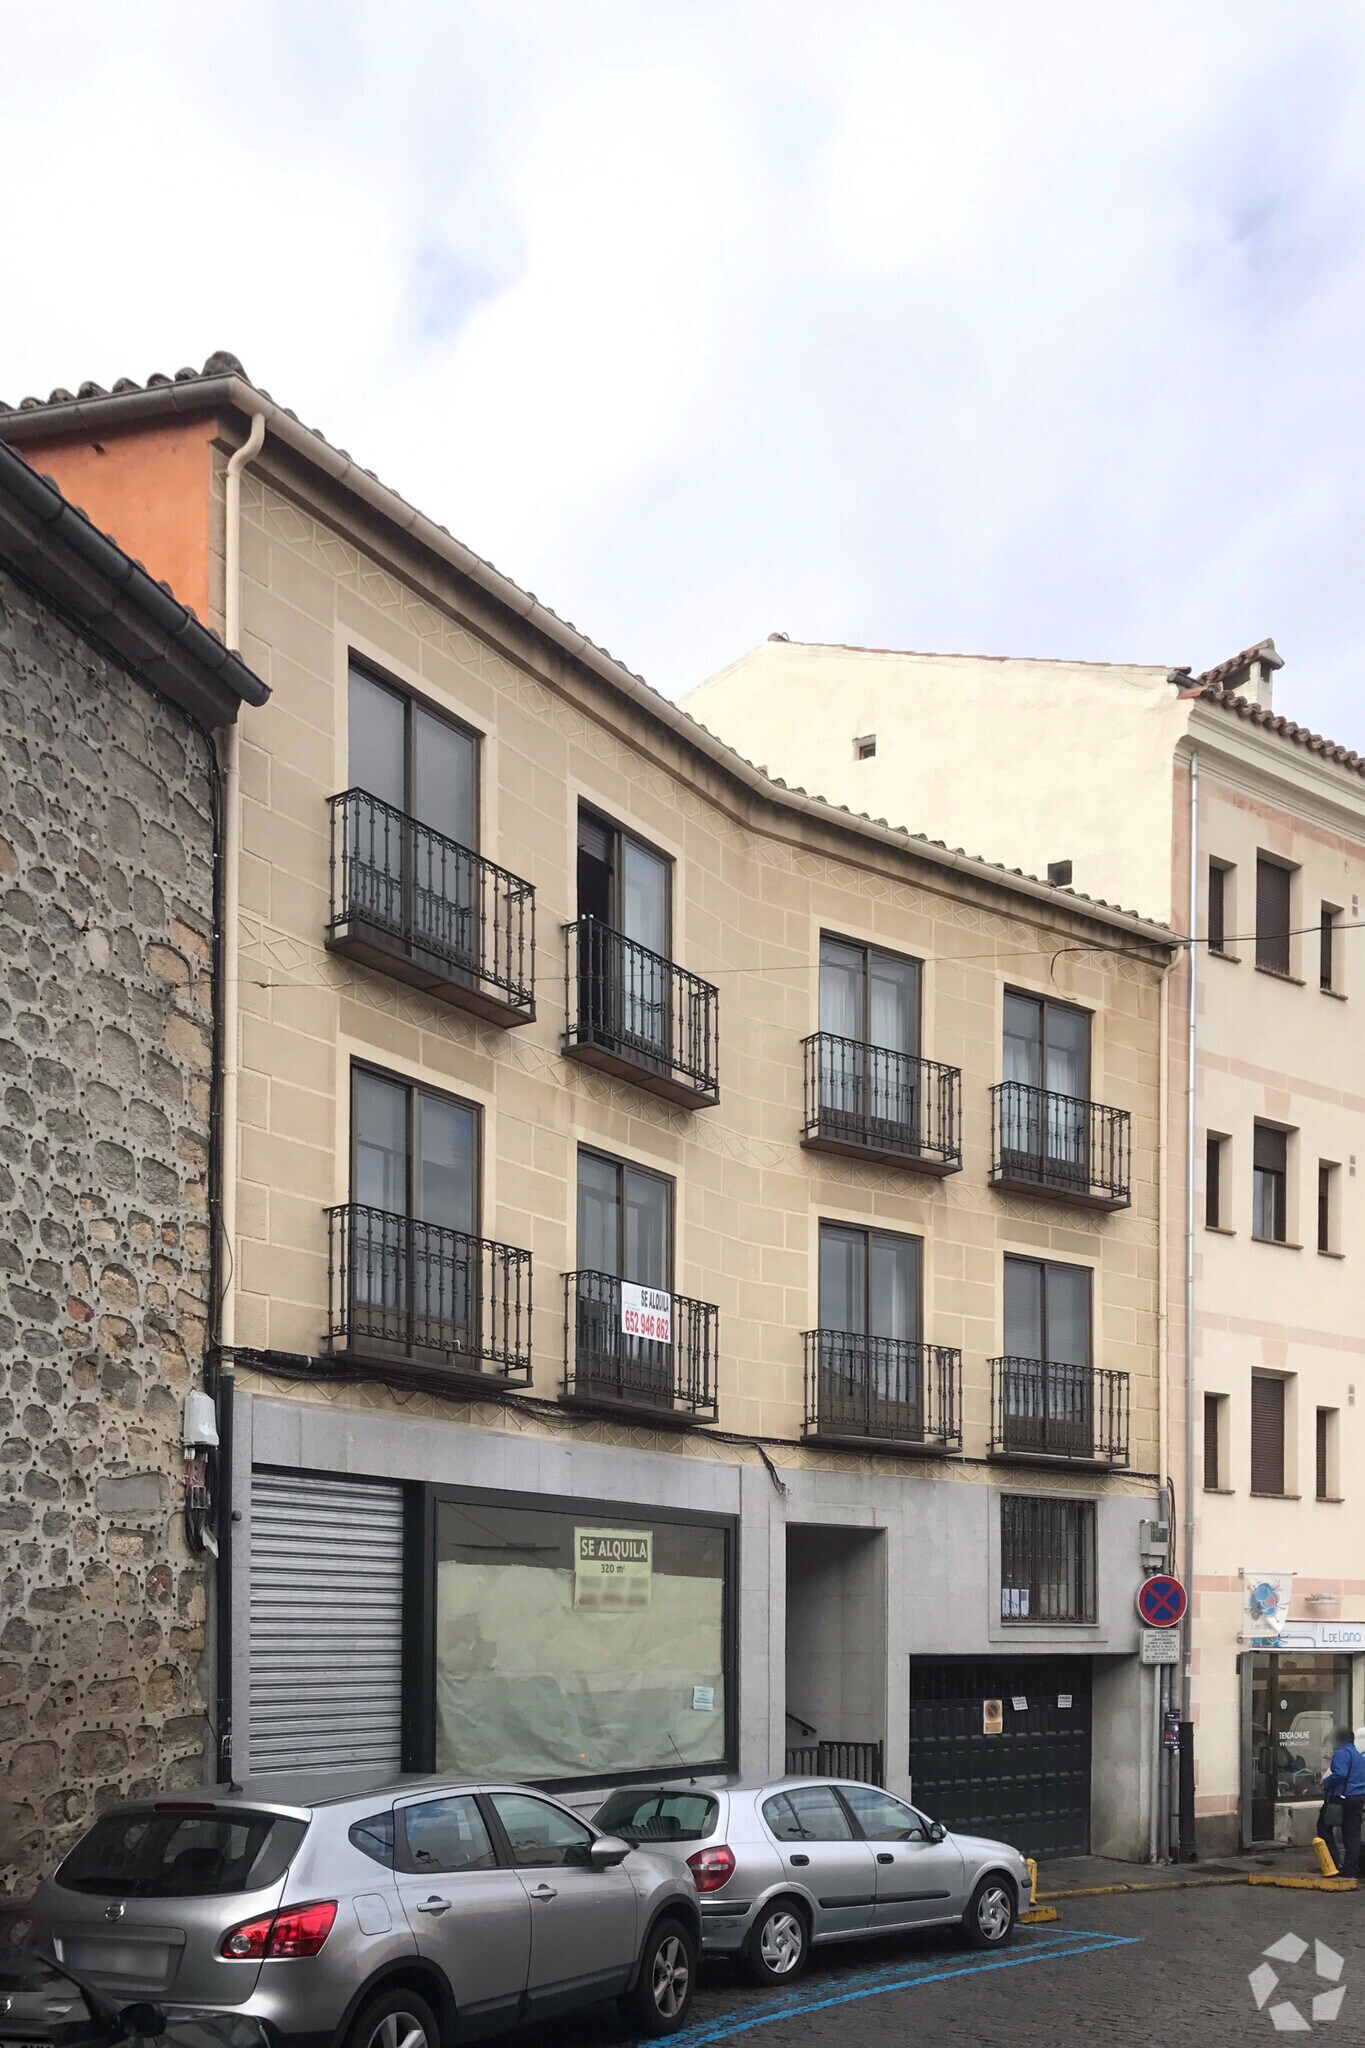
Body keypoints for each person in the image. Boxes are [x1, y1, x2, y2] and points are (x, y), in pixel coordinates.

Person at [1321, 1726, 1365, 1876]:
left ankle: (1334, 1862)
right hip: (1358, 1797)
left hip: (1341, 1797)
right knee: (1352, 1834)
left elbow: (1340, 1774)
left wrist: (1326, 1782)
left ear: (1339, 1740)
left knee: (1323, 1828)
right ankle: (1351, 1869)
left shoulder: (1341, 1753)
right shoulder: (1358, 1755)